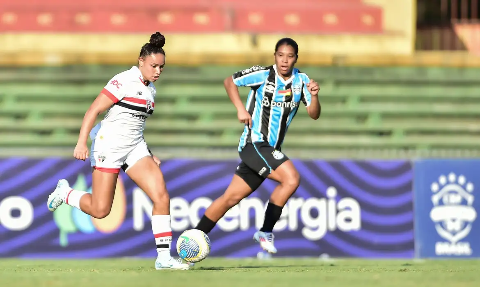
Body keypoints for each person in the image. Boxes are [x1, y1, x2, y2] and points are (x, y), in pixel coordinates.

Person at [46, 32, 190, 270]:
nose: (157, 71)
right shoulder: (123, 81)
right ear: (140, 61)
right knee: (100, 210)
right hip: (109, 146)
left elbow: (135, 125)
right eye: (153, 65)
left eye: (161, 67)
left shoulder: (151, 90)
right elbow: (93, 111)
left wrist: (149, 152)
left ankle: (163, 258)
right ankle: (66, 193)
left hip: (135, 147)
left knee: (161, 195)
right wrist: (81, 143)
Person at [194, 38, 321, 254]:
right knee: (291, 179)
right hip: (254, 144)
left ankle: (191, 245)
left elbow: (314, 114)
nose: (285, 60)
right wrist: (240, 109)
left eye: (290, 56)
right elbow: (229, 81)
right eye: (281, 55)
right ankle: (265, 232)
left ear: (295, 59)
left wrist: (315, 96)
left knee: (229, 198)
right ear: (275, 56)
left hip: (268, 151)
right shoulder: (263, 75)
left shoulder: (302, 80)